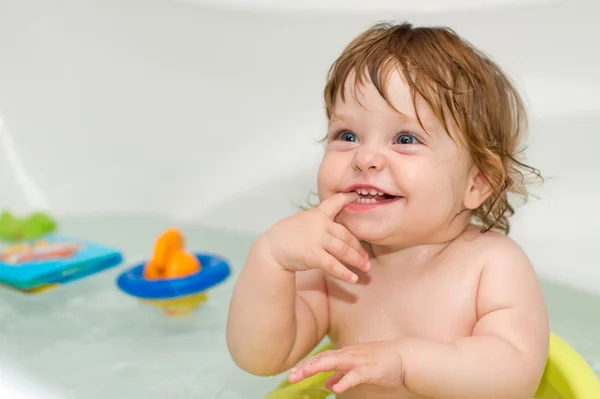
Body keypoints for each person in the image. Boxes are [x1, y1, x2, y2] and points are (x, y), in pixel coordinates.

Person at [226, 21, 549, 399]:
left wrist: (403, 362)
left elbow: (514, 377)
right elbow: (260, 358)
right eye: (347, 136)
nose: (365, 158)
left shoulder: (491, 265)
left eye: (405, 139)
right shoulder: (335, 267)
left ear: (476, 183)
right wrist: (269, 259)